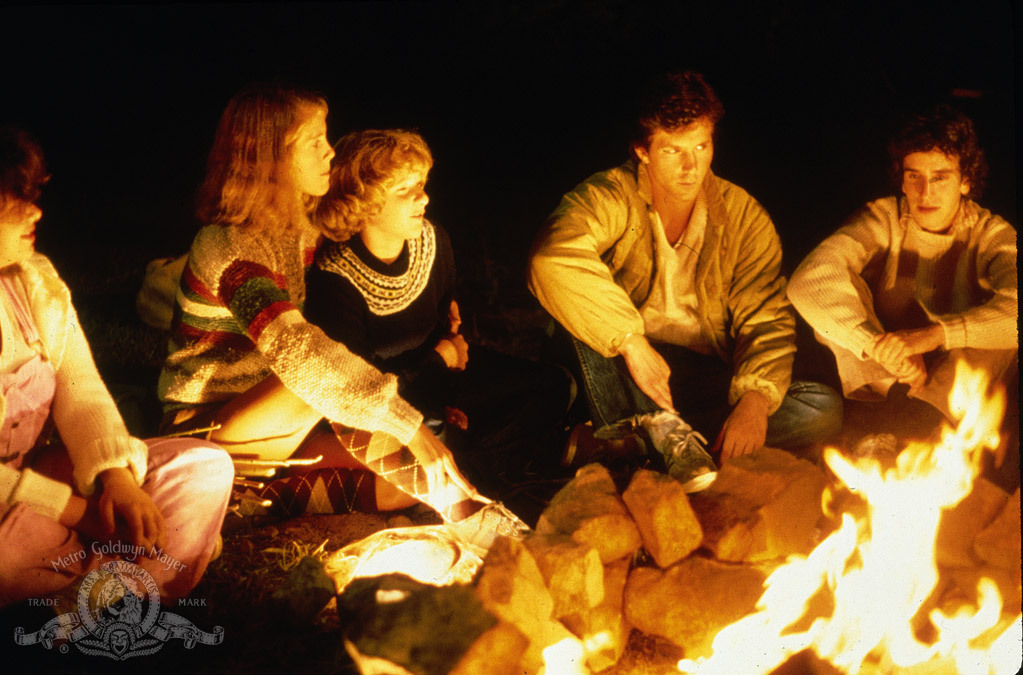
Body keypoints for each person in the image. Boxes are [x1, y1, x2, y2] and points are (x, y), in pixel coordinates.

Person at [157, 84, 526, 542]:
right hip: (205, 432)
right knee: (319, 376)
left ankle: (242, 505)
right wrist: (408, 425)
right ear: (272, 156)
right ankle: (477, 521)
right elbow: (298, 350)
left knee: (402, 489)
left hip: (278, 428)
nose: (329, 153)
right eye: (315, 142)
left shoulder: (300, 228)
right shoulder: (230, 247)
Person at [528, 71, 842, 491]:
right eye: (672, 150)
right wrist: (630, 342)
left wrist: (755, 402)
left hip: (694, 374)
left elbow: (765, 319)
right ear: (642, 150)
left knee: (818, 408)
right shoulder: (608, 195)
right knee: (578, 312)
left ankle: (632, 446)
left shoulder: (743, 216)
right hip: (615, 364)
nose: (690, 166)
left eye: (701, 146)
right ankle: (653, 431)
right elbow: (551, 257)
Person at [0, 126, 233, 606]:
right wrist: (78, 513)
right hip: (13, 509)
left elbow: (80, 388)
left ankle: (96, 594)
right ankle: (118, 592)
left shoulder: (33, 282)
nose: (36, 212)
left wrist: (118, 481)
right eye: (15, 200)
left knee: (202, 468)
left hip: (44, 481)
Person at [305, 129, 572, 485]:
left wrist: (449, 373)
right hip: (384, 406)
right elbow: (358, 391)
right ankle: (478, 468)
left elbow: (446, 323)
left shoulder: (433, 240)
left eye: (422, 184)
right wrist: (439, 363)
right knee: (436, 430)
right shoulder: (335, 279)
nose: (424, 198)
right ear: (362, 203)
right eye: (405, 191)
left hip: (438, 378)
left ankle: (472, 463)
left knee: (557, 385)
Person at [788, 106, 1017, 458]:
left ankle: (924, 432)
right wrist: (876, 344)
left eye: (940, 177)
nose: (926, 192)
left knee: (1002, 332)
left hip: (950, 384)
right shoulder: (883, 218)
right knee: (834, 299)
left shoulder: (991, 234)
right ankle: (875, 430)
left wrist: (935, 335)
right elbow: (807, 281)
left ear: (966, 180)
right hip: (886, 373)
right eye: (914, 176)